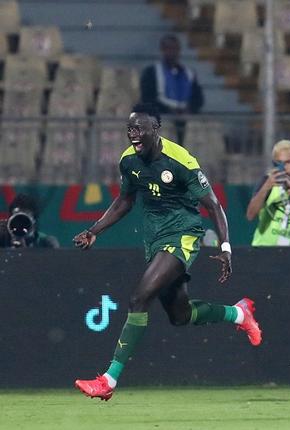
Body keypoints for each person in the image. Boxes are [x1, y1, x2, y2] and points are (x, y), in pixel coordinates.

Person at [73, 103, 261, 401]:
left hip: (183, 235)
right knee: (180, 314)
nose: (133, 134)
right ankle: (238, 313)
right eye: (130, 129)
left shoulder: (181, 160)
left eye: (139, 129)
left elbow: (213, 205)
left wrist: (226, 247)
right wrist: (94, 231)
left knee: (139, 298)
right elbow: (124, 201)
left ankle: (109, 380)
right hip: (154, 239)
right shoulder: (128, 161)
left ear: (155, 130)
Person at [140, 35, 204, 115]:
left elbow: (198, 99)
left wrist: (189, 109)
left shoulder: (189, 73)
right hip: (161, 115)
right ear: (162, 50)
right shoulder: (151, 72)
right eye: (168, 48)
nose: (172, 52)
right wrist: (168, 110)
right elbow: (147, 98)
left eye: (175, 49)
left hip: (186, 115)